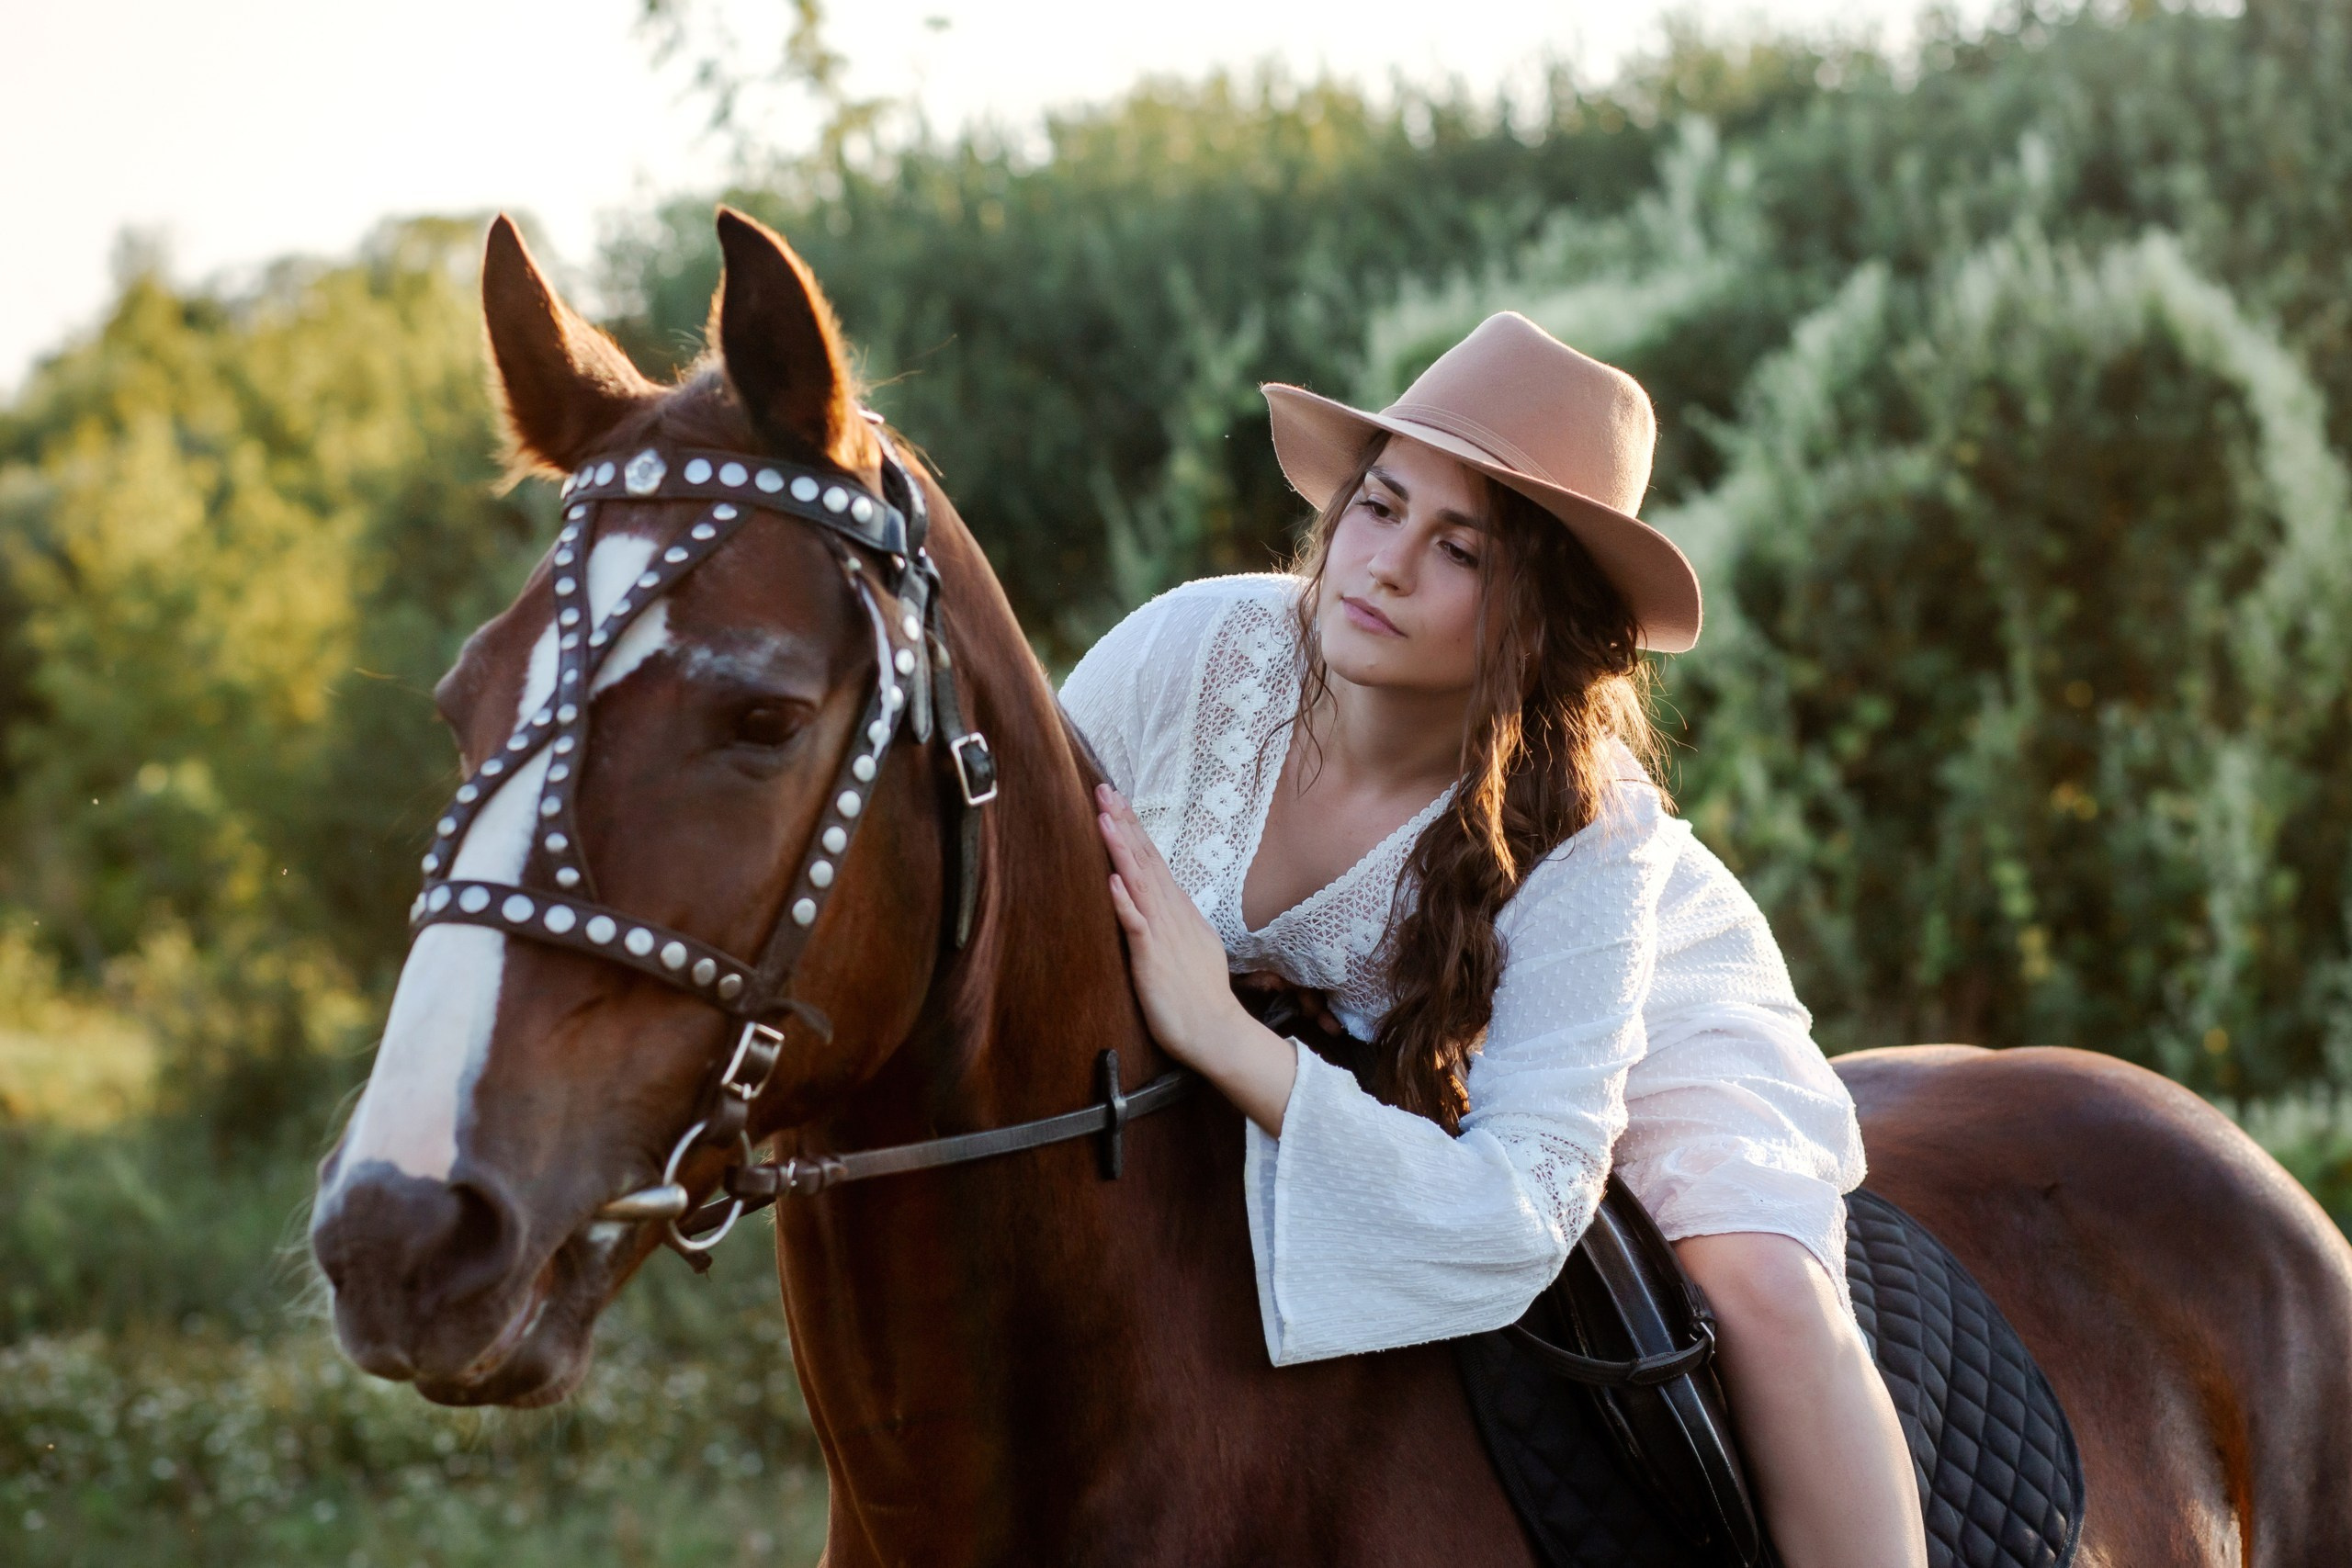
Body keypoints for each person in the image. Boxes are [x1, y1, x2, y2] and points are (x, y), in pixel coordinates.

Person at [1062, 312, 1927, 1568]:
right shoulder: (1190, 654)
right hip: (1370, 1021)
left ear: (1541, 614)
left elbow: (1526, 1208)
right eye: (1379, 507)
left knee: (1766, 1290)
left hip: (1650, 988)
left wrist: (1225, 1039)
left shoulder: (1594, 834)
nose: (1386, 565)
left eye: (1457, 548)